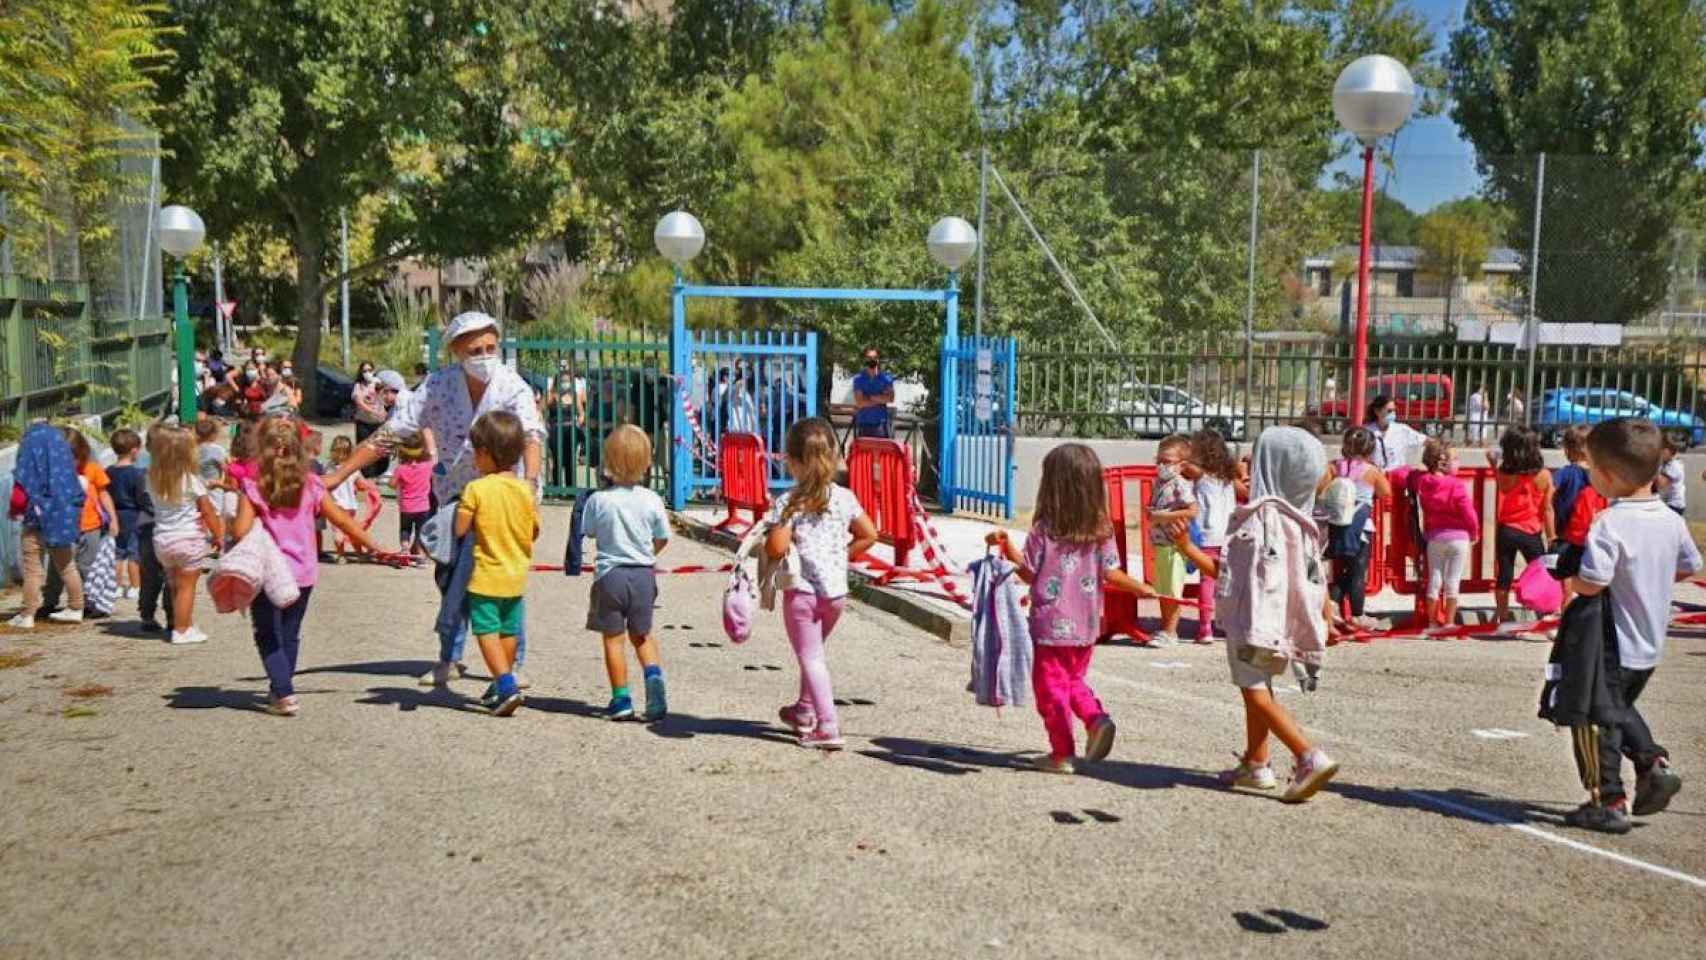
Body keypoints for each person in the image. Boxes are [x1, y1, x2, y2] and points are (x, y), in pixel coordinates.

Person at [324, 311, 545, 688]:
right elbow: (391, 434)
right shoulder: (438, 386)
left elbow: (532, 436)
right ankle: (449, 655)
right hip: (457, 494)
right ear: (456, 351)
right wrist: (340, 475)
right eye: (475, 349)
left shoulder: (512, 386)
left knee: (505, 579)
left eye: (491, 347)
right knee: (450, 576)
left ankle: (510, 664)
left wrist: (529, 484)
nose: (485, 355)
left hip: (506, 494)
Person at [1168, 427, 1340, 802]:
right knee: (1259, 688)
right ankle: (1257, 764)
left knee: (1255, 691)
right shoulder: (1303, 522)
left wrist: (1184, 547)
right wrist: (1325, 617)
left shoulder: (1257, 519)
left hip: (1253, 622)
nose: (1246, 464)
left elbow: (1225, 571)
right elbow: (1314, 578)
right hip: (1282, 623)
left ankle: (1307, 755)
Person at [1563, 417, 1698, 833]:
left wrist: (1567, 575)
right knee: (1618, 707)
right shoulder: (1670, 520)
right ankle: (1652, 761)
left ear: (1606, 475)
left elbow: (1593, 582)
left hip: (1612, 641)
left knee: (1592, 718)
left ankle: (1607, 799)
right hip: (1649, 641)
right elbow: (1691, 566)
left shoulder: (1610, 523)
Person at [988, 443, 1154, 774]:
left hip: (1050, 626)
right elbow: (1110, 572)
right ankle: (1095, 719)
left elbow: (1029, 573)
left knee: (1050, 689)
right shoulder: (1101, 530)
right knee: (1073, 679)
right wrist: (1142, 588)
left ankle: (1062, 753)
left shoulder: (1044, 530)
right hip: (1088, 625)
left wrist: (1006, 549)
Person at [232, 416, 389, 716]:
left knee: (267, 633)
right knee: (290, 633)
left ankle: (284, 692)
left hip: (269, 573)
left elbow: (239, 532)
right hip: (303, 574)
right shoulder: (312, 484)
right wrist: (375, 546)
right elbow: (342, 520)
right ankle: (281, 687)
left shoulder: (252, 487)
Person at [763, 418, 879, 749]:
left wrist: (779, 525)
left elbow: (777, 548)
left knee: (810, 657)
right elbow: (869, 534)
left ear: (792, 460)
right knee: (812, 653)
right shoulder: (844, 497)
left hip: (802, 593)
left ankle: (827, 726)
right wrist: (841, 555)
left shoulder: (789, 502)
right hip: (835, 594)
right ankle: (803, 709)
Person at [567, 425, 674, 722]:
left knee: (614, 640)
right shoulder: (651, 499)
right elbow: (663, 536)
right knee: (643, 635)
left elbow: (587, 531)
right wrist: (649, 553)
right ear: (646, 462)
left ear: (607, 461)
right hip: (643, 576)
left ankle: (621, 698)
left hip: (609, 576)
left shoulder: (599, 500)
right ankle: (654, 687)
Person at [453, 412, 540, 716]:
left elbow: (461, 530)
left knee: (486, 631)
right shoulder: (525, 490)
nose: (475, 459)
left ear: (486, 453)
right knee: (508, 630)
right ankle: (498, 685)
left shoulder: (477, 489)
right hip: (516, 575)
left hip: (486, 575)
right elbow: (534, 531)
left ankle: (505, 684)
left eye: (476, 453)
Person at [147, 423, 223, 646]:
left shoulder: (151, 478)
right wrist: (218, 535)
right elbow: (207, 511)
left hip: (162, 539)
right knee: (187, 587)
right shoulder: (192, 480)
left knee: (174, 585)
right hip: (188, 538)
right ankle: (182, 630)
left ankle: (182, 623)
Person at [7, 423, 85, 629]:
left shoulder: (29, 468)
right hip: (61, 520)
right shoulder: (65, 469)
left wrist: (14, 511)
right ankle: (76, 608)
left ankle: (27, 614)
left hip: (36, 521)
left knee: (33, 568)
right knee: (67, 565)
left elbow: (18, 498)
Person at [41, 429, 119, 621]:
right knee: (58, 567)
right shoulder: (53, 473)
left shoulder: (92, 469)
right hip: (63, 528)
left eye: (74, 458)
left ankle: (86, 602)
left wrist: (113, 518)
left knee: (87, 566)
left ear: (83, 453)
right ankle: (50, 601)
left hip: (91, 526)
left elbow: (103, 494)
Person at [1322, 428, 1391, 630]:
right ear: (1370, 449)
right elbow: (1385, 492)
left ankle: (1333, 605)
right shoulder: (1372, 472)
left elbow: (1323, 489)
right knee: (1357, 572)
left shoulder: (1334, 467)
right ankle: (1358, 615)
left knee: (1341, 570)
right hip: (1360, 529)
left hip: (1336, 525)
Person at [1409, 438, 1478, 629]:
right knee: (1453, 581)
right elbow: (1468, 512)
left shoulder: (1422, 481)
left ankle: (1431, 622)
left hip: (1434, 538)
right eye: (1454, 458)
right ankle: (1449, 622)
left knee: (1435, 579)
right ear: (1443, 461)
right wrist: (1474, 532)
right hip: (1459, 537)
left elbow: (1405, 474)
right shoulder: (1456, 485)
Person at [1489, 427, 1555, 624]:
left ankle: (1502, 615)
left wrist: (1493, 465)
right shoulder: (1543, 475)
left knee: (1504, 575)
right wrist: (1552, 537)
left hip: (1507, 529)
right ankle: (1545, 613)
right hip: (1531, 531)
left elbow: (1502, 486)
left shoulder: (1504, 472)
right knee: (1542, 573)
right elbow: (1548, 509)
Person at [1186, 429, 1238, 643]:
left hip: (1208, 536)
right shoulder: (1228, 478)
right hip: (1229, 535)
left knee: (1207, 580)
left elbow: (1184, 467)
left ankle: (1205, 627)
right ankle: (1227, 624)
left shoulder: (1201, 476)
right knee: (1227, 582)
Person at [1148, 434, 1198, 647]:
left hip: (1173, 545)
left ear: (1181, 465)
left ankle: (1171, 631)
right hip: (1160, 544)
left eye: (1167, 461)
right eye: (1159, 460)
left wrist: (1162, 517)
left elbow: (1192, 510)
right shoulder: (1159, 482)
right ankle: (1165, 627)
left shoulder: (1180, 484)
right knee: (1163, 589)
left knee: (1172, 590)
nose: (1161, 465)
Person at [1551, 425, 1607, 610]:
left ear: (1569, 449)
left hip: (1569, 532)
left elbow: (1550, 489)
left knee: (1566, 570)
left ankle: (1565, 607)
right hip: (1594, 531)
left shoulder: (1567, 472)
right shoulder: (1600, 473)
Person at [135, 423, 174, 635]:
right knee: (172, 575)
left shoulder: (143, 472)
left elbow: (141, 500)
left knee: (149, 576)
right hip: (169, 528)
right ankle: (173, 617)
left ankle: (147, 615)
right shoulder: (178, 473)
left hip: (147, 527)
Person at [106, 429, 147, 601]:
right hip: (133, 515)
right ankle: (135, 586)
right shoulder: (138, 474)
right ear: (134, 450)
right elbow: (141, 497)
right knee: (133, 553)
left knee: (117, 553)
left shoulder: (108, 471)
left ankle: (115, 586)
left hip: (114, 514)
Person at [324, 436, 375, 562]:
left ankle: (341, 555)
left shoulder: (328, 468)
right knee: (352, 530)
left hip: (334, 506)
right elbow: (361, 485)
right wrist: (368, 490)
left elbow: (325, 486)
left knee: (338, 531)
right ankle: (360, 554)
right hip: (350, 506)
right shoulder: (352, 469)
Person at [387, 437, 435, 556]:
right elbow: (440, 473)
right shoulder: (428, 467)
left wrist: (400, 482)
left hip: (406, 507)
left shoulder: (401, 469)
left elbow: (392, 485)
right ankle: (419, 552)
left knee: (405, 529)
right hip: (423, 506)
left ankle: (405, 549)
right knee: (421, 530)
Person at [545, 359, 586, 489]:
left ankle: (570, 489)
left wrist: (578, 423)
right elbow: (540, 410)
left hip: (570, 430)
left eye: (567, 381)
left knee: (569, 461)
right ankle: (557, 488)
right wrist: (546, 424)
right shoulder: (552, 395)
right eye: (563, 381)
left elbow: (581, 413)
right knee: (557, 460)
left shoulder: (574, 395)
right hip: (556, 431)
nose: (565, 383)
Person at [1364, 394, 1422, 471]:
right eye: (1389, 411)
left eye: (1394, 410)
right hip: (1375, 475)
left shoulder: (1402, 430)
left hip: (1397, 475)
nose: (1393, 414)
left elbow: (1425, 440)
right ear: (1377, 411)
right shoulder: (1366, 431)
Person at [851, 348, 896, 439]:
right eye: (869, 357)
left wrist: (869, 397)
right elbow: (860, 403)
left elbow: (890, 398)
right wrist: (880, 399)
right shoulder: (858, 379)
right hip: (863, 424)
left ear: (878, 359)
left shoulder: (886, 378)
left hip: (880, 425)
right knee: (864, 453)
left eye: (874, 357)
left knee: (882, 452)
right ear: (865, 359)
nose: (872, 360)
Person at [1655, 431, 1687, 517]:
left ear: (1671, 451)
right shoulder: (1667, 463)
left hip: (1674, 505)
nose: (1659, 451)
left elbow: (1661, 484)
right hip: (1668, 503)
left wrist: (1653, 466)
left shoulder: (1674, 466)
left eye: (1662, 449)